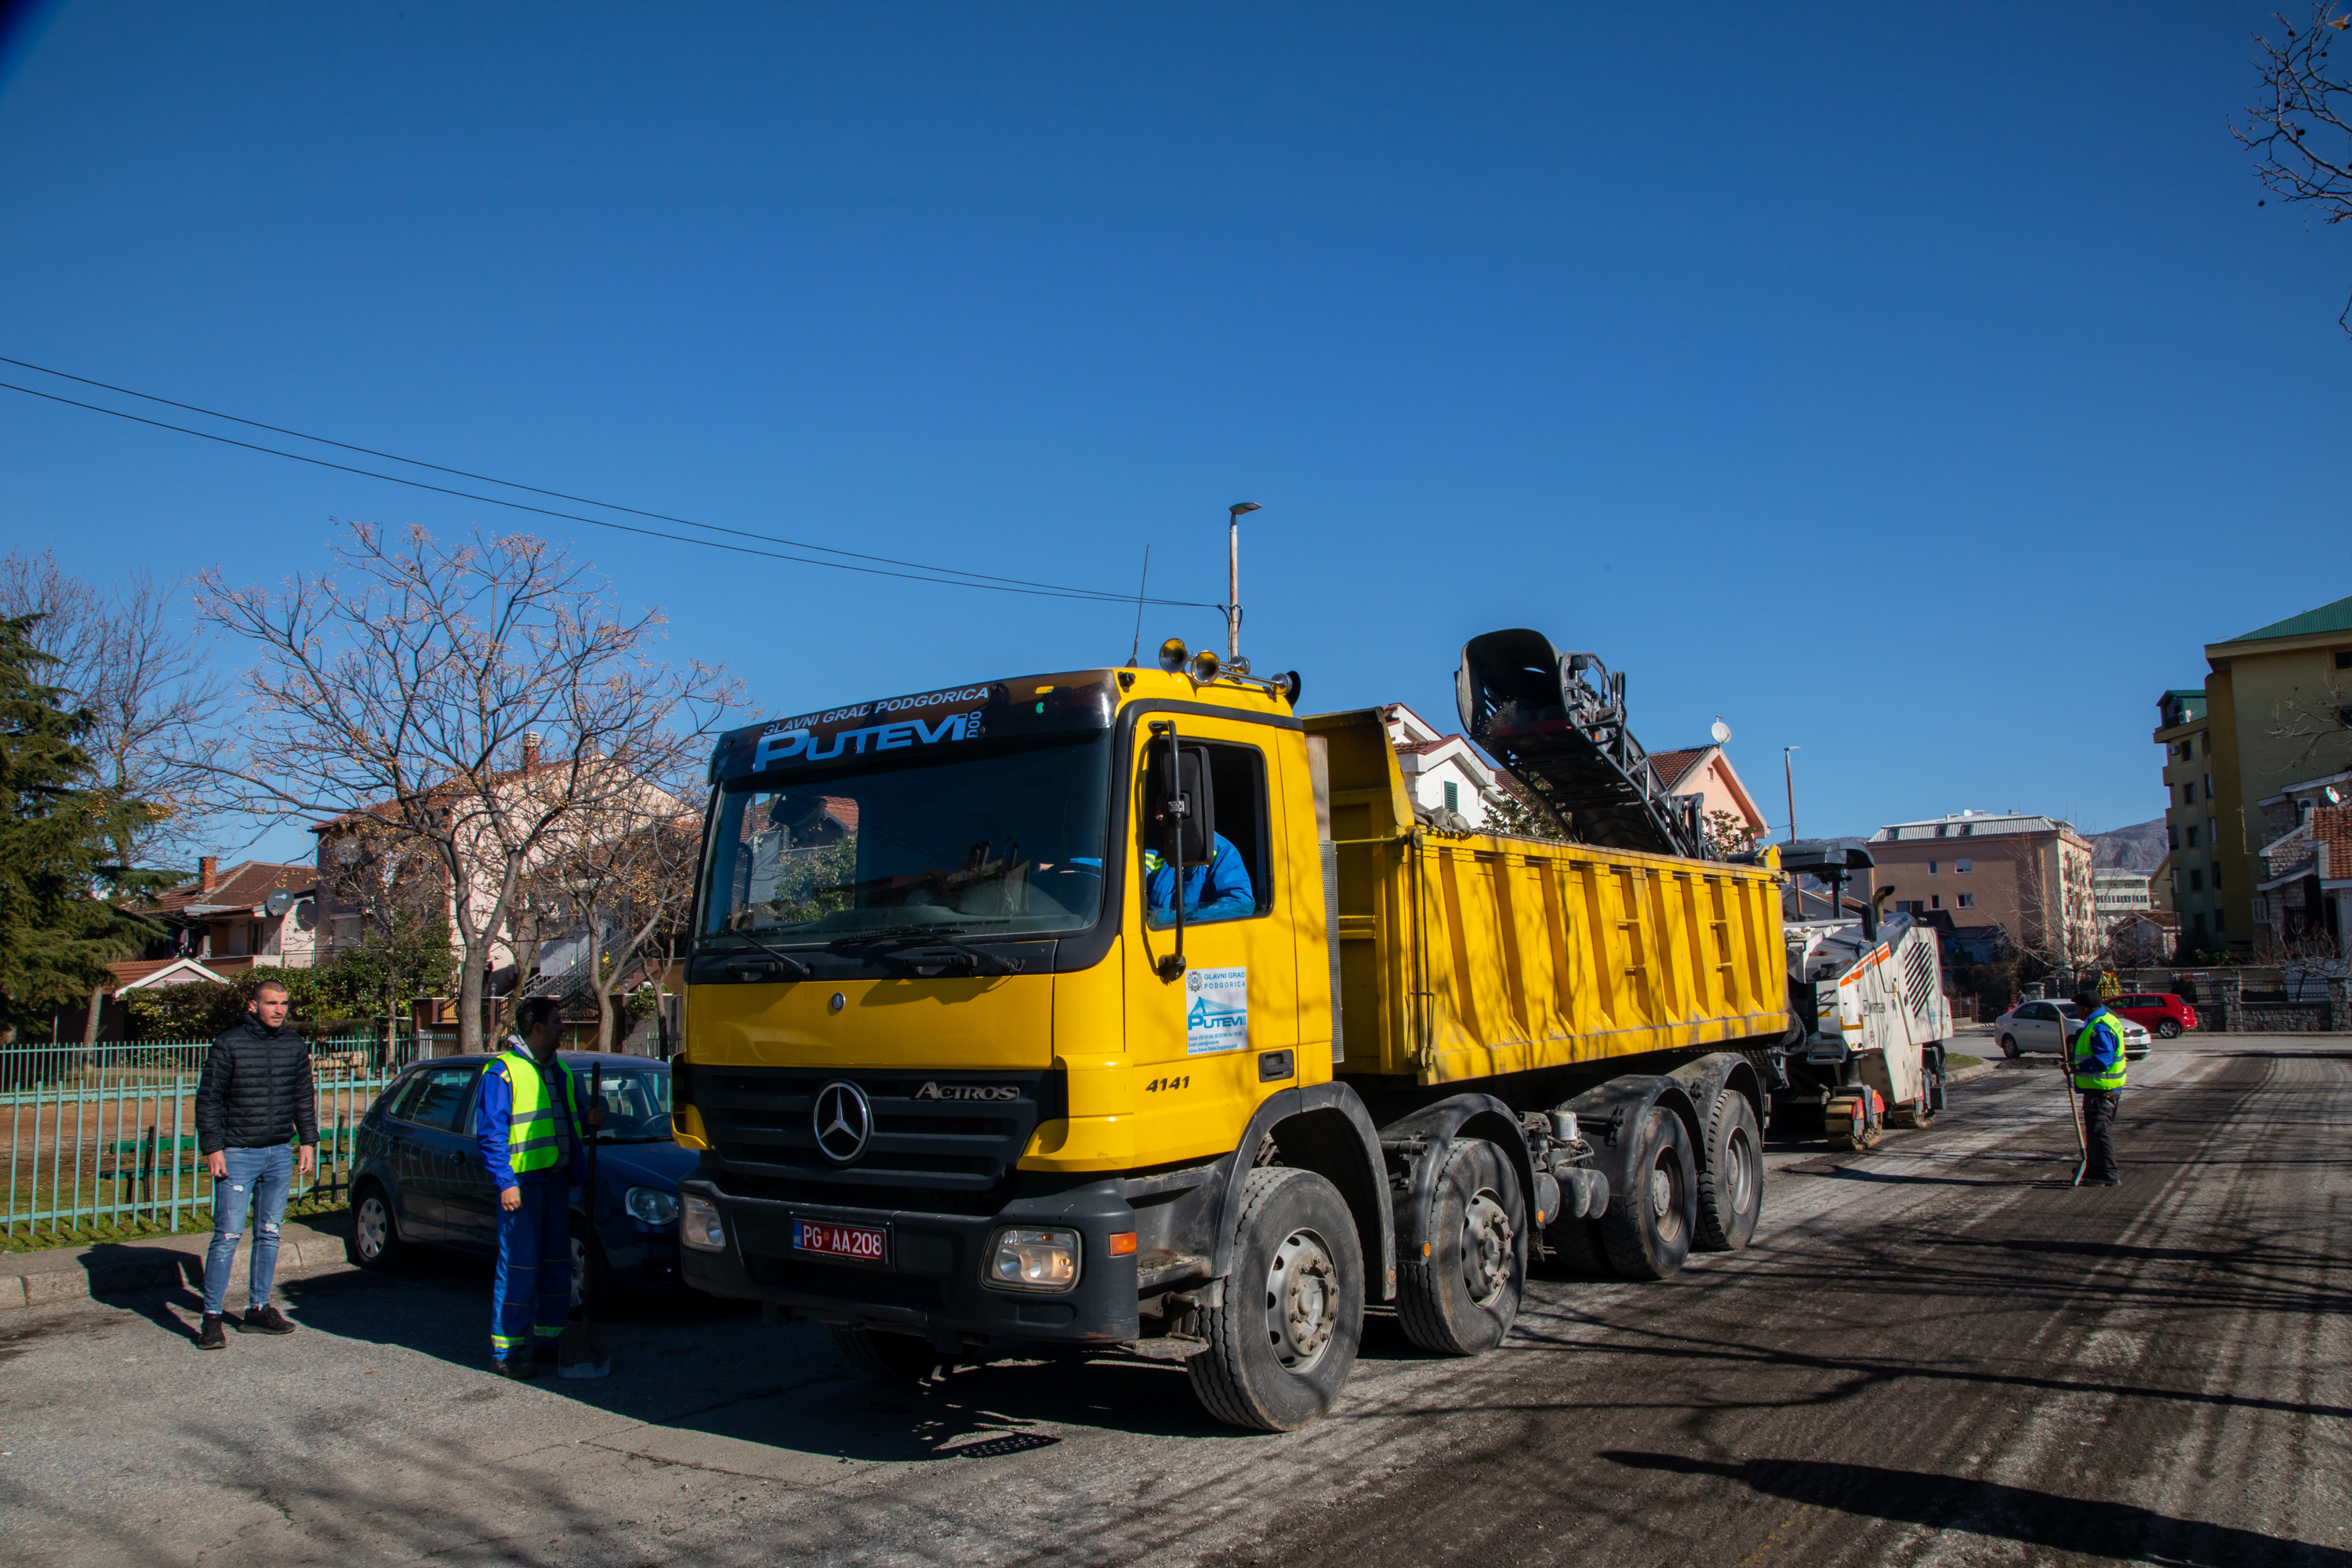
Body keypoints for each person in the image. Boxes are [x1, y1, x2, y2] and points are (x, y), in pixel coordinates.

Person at [475, 999, 601, 1377]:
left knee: (555, 1267)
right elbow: (491, 1135)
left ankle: (550, 1340)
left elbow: (570, 1118)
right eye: (557, 1021)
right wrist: (505, 1182)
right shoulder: (502, 1073)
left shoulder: (562, 1072)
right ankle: (507, 1351)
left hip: (556, 1183)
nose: (564, 1027)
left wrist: (591, 1116)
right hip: (524, 1188)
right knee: (519, 1266)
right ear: (537, 1028)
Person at [192, 978, 318, 1350]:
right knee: (228, 1235)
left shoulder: (294, 1044)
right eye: (271, 1003)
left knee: (270, 1232)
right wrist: (214, 1148)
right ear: (253, 1006)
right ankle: (211, 1319)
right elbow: (209, 1099)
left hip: (278, 1152)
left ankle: (258, 1309)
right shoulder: (229, 1043)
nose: (279, 1010)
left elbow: (302, 1096)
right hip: (237, 1154)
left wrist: (308, 1140)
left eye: (284, 1003)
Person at [2070, 991, 2129, 1186]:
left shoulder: (2100, 1027)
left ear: (2085, 1008)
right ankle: (2096, 1169)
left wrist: (2079, 1068)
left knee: (2100, 1132)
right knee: (2095, 1132)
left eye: (2078, 1007)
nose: (2076, 1011)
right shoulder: (2107, 1019)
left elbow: (2103, 1059)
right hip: (2100, 1089)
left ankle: (2109, 1174)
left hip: (2102, 1090)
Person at [1145, 832, 1255, 924]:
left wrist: (1189, 921)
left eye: (1165, 808)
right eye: (1157, 807)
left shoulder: (1219, 849)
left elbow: (1240, 904)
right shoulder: (1146, 848)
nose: (1158, 815)